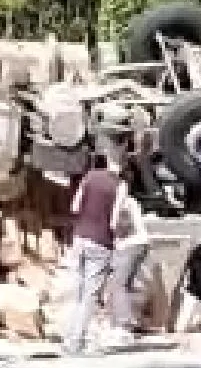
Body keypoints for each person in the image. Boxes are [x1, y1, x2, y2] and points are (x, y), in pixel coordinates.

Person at [63, 152, 124, 355]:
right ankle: (76, 343)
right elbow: (114, 221)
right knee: (90, 295)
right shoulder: (120, 185)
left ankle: (68, 337)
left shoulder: (89, 176)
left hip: (79, 238)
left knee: (77, 292)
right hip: (100, 243)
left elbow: (74, 206)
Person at [110, 186, 150, 340]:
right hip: (141, 244)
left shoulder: (122, 205)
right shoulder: (132, 202)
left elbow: (119, 228)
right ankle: (131, 319)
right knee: (127, 285)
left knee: (119, 285)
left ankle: (123, 325)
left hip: (129, 245)